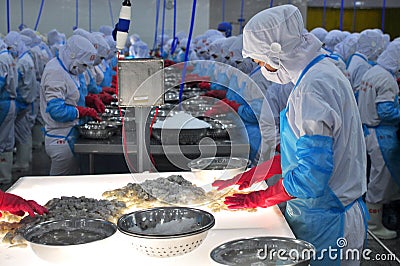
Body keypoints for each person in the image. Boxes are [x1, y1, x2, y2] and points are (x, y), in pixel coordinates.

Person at [213, 5, 367, 265]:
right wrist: (259, 172)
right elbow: (306, 153)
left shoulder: (312, 90)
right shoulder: (320, 73)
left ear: (277, 52)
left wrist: (261, 197)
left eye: (261, 61)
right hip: (327, 212)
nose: (262, 67)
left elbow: (310, 177)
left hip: (327, 222)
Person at [357, 41, 400, 240]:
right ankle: (374, 225)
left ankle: (371, 219)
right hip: (381, 135)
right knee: (381, 180)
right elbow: (386, 111)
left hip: (367, 131)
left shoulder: (373, 71)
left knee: (374, 177)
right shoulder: (387, 80)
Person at [40, 35, 99, 175]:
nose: (84, 69)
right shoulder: (55, 72)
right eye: (83, 65)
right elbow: (57, 111)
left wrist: (88, 100)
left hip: (69, 134)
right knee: (59, 187)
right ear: (72, 56)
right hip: (60, 138)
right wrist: (81, 112)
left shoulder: (68, 69)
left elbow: (71, 96)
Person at [0, 39, 17, 185]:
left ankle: (3, 177)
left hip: (3, 103)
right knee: (7, 139)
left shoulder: (1, 59)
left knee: (2, 141)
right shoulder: (8, 57)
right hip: (10, 102)